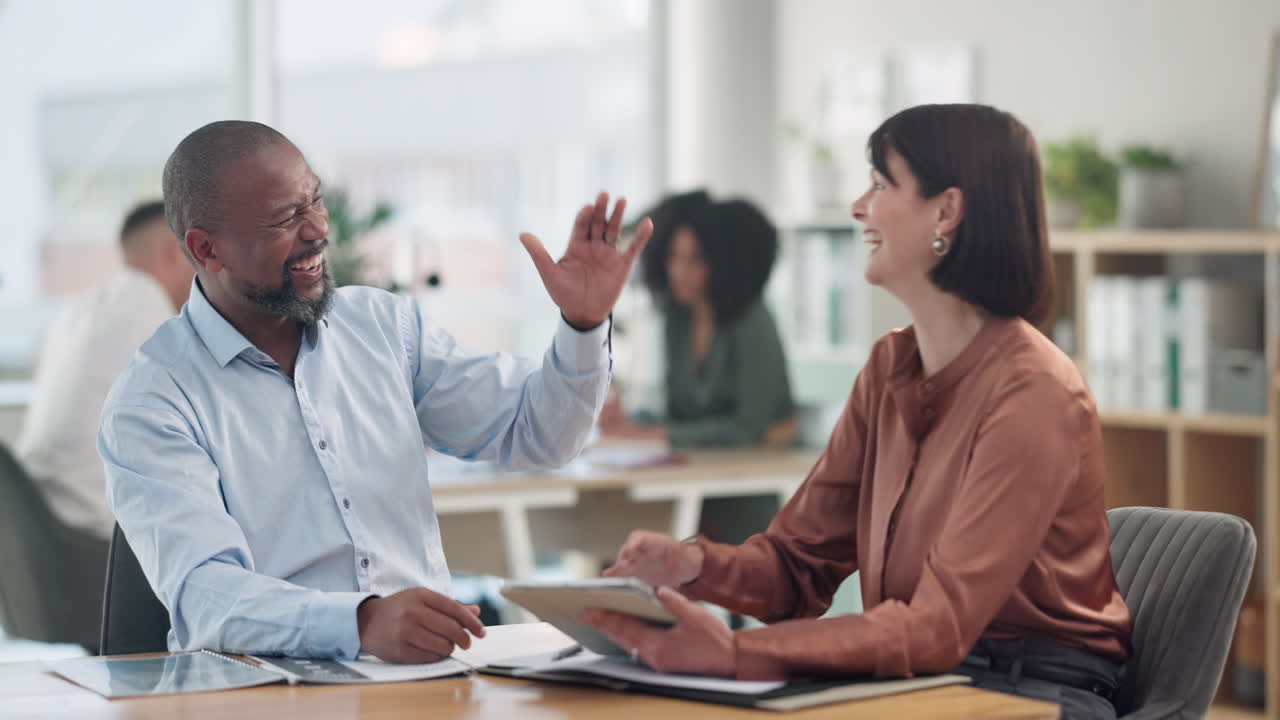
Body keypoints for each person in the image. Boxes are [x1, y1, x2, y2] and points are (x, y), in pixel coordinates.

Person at [584, 104, 1133, 720]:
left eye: (879, 183)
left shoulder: (1035, 392)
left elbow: (936, 628)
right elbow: (797, 569)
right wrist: (691, 563)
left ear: (946, 212)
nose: (857, 207)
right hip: (921, 675)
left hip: (1031, 690)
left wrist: (736, 651)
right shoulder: (890, 367)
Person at [98, 120, 652, 664]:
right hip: (262, 693)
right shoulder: (153, 400)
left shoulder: (383, 327)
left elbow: (538, 435)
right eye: (284, 218)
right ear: (205, 249)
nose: (317, 229)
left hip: (426, 683)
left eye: (313, 201)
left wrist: (582, 325)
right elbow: (204, 596)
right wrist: (360, 623)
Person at [17, 200, 194, 539]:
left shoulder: (82, 309)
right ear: (176, 252)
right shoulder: (153, 322)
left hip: (38, 520)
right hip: (95, 531)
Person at [599, 190, 795, 449]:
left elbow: (749, 429)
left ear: (719, 262)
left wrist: (653, 435)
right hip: (694, 473)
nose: (679, 271)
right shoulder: (678, 318)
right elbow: (680, 417)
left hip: (755, 475)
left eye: (695, 260)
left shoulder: (752, 319)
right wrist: (630, 422)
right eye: (673, 257)